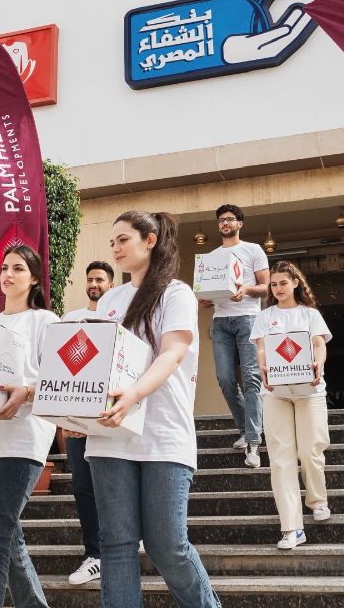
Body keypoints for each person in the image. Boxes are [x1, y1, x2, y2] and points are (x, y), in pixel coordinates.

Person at [87, 210, 220, 608]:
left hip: (163, 433)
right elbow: (95, 362)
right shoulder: (109, 300)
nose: (115, 248)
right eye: (112, 242)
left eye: (123, 239)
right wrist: (77, 409)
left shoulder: (175, 293)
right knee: (116, 544)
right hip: (110, 434)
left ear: (150, 240)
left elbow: (172, 353)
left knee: (168, 545)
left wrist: (133, 394)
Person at [0, 244, 58, 608]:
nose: (8, 274)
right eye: (4, 268)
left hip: (24, 438)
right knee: (7, 536)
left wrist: (27, 392)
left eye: (18, 268)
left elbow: (58, 380)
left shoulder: (46, 322)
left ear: (33, 278)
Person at [252, 261, 332, 551]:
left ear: (296, 283)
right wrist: (263, 366)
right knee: (281, 459)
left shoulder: (310, 314)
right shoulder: (265, 317)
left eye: (283, 283)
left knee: (311, 450)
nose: (278, 288)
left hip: (310, 391)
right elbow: (262, 348)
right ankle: (292, 528)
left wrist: (318, 363)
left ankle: (317, 500)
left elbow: (319, 344)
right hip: (276, 393)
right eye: (273, 284)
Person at [58, 260, 115, 585]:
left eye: (100, 279)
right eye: (90, 279)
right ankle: (94, 555)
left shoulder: (118, 316)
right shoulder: (70, 319)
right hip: (76, 419)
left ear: (111, 284)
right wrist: (63, 417)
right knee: (83, 487)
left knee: (113, 485)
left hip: (109, 418)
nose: (94, 284)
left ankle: (124, 539)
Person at [201, 204, 270, 467]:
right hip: (221, 321)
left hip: (249, 318)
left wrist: (247, 290)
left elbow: (265, 287)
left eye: (230, 219)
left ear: (240, 223)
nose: (225, 223)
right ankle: (245, 428)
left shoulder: (253, 250)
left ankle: (253, 442)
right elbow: (210, 289)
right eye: (221, 220)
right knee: (225, 378)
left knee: (252, 378)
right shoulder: (212, 256)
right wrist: (206, 299)